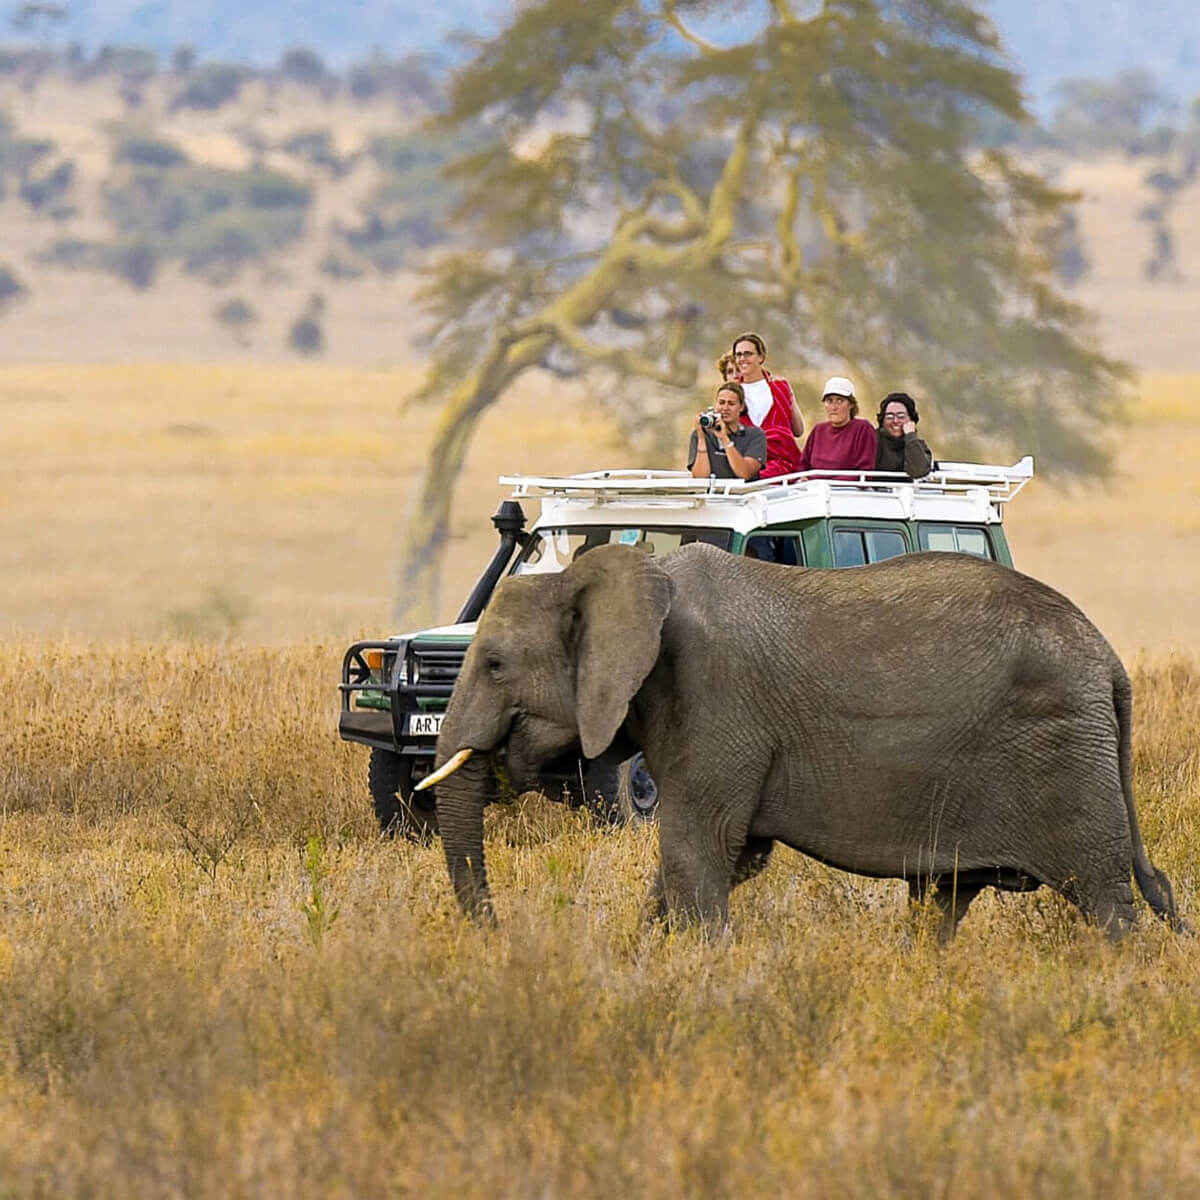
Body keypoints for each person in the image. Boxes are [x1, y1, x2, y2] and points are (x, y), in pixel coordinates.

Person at [728, 332, 804, 478]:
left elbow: (798, 430)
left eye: (748, 354)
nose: (742, 359)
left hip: (782, 461)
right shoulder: (731, 392)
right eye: (738, 355)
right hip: (744, 461)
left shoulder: (780, 387)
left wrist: (790, 395)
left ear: (761, 357)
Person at [687, 382, 766, 481]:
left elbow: (745, 474)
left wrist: (724, 439)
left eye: (731, 404)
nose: (725, 408)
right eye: (721, 403)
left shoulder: (755, 435)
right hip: (712, 494)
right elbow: (700, 478)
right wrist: (701, 437)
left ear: (741, 407)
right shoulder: (700, 435)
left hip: (742, 495)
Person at [797, 376, 877, 473]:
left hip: (848, 488)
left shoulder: (863, 429)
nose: (834, 407)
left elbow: (865, 472)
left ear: (851, 404)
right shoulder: (818, 430)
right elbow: (803, 465)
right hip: (815, 486)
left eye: (840, 401)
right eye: (829, 401)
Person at [874, 392, 933, 479]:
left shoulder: (918, 445)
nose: (895, 421)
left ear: (911, 420)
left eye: (901, 416)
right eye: (889, 417)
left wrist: (910, 436)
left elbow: (918, 471)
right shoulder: (871, 439)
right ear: (882, 420)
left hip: (906, 491)